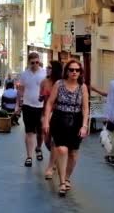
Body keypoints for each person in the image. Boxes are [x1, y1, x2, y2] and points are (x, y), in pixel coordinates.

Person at [43, 60, 89, 197]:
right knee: (62, 149)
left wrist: (84, 125)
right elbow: (50, 103)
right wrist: (46, 121)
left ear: (80, 72)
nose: (74, 72)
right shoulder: (59, 84)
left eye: (77, 70)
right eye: (71, 69)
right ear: (66, 71)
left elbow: (85, 108)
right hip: (59, 119)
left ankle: (67, 177)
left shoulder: (82, 87)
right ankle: (62, 182)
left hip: (76, 120)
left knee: (73, 154)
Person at [17, 52, 47, 167]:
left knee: (40, 132)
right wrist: (18, 105)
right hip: (28, 106)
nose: (35, 64)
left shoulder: (44, 74)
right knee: (29, 131)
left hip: (41, 107)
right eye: (32, 63)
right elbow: (20, 90)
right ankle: (29, 156)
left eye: (37, 62)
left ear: (39, 61)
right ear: (29, 62)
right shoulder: (24, 74)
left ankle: (38, 148)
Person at [40, 60, 63, 180]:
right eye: (47, 67)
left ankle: (51, 166)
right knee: (47, 140)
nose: (47, 69)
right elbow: (41, 97)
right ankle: (55, 158)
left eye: (50, 68)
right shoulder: (44, 82)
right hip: (45, 113)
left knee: (54, 140)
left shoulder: (61, 83)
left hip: (57, 114)